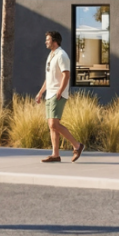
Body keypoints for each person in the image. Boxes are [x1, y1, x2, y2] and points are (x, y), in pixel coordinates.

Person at [39, 29, 83, 163]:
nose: (45, 42)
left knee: (54, 123)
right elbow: (48, 78)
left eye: (48, 39)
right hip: (49, 94)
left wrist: (60, 91)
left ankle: (77, 146)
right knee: (52, 125)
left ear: (55, 41)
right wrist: (40, 93)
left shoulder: (62, 55)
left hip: (57, 94)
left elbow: (66, 75)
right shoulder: (51, 55)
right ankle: (55, 155)